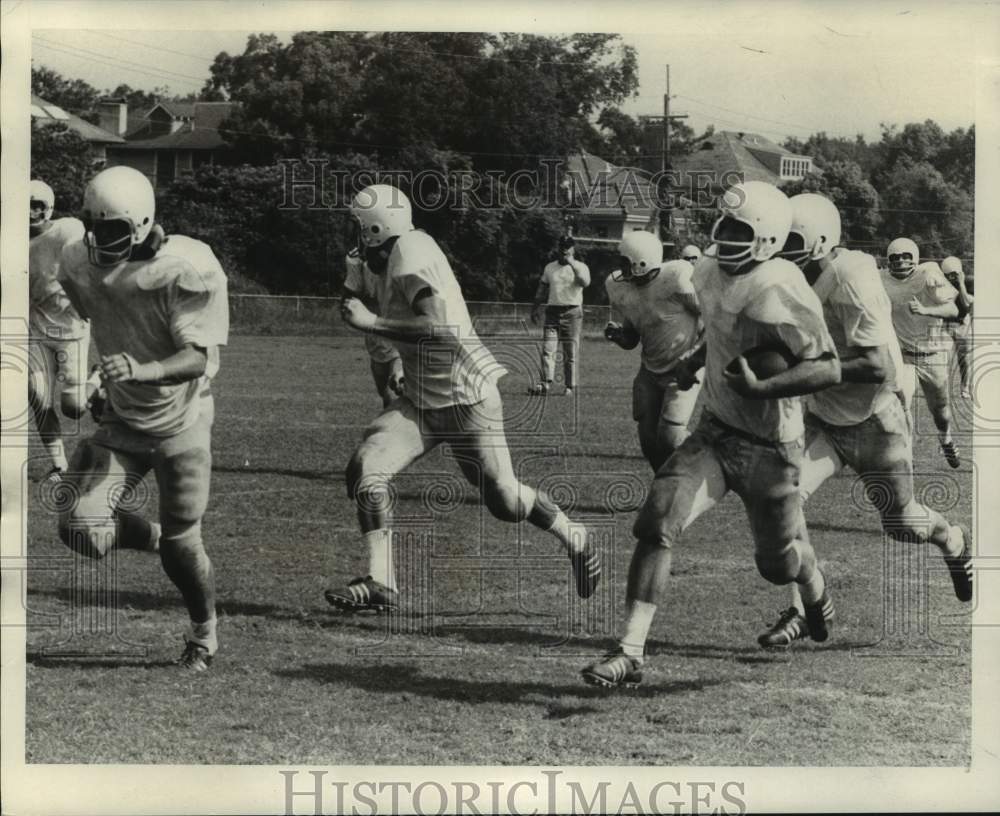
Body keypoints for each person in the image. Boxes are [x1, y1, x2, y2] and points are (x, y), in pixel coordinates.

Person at [581, 181, 841, 689]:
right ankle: (630, 650)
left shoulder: (781, 284)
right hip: (717, 431)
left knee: (778, 564)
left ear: (766, 236)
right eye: (724, 224)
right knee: (658, 520)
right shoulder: (703, 270)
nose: (725, 235)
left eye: (739, 228)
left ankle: (813, 586)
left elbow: (828, 369)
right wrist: (691, 362)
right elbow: (719, 334)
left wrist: (765, 385)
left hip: (773, 447)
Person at [329, 184, 601, 613]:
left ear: (377, 228)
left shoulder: (412, 253)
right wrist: (390, 363)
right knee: (368, 467)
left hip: (465, 395)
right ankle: (381, 582)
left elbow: (438, 328)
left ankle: (576, 536)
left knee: (504, 500)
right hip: (421, 396)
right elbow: (364, 311)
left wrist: (372, 322)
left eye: (360, 229)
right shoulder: (378, 259)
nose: (355, 237)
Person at [756, 194, 973, 648]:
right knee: (784, 501)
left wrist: (791, 377)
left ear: (817, 241)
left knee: (902, 524)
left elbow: (875, 366)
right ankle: (807, 604)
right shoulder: (793, 276)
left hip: (875, 417)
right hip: (822, 419)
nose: (778, 248)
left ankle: (954, 541)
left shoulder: (851, 277)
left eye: (790, 240)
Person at [56, 166, 229, 672]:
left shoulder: (185, 265)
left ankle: (203, 635)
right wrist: (93, 382)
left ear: (142, 221)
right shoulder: (77, 260)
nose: (97, 240)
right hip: (124, 421)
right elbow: (96, 321)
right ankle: (154, 538)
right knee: (79, 528)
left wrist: (140, 368)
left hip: (182, 420)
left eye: (111, 229)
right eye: (92, 227)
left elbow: (197, 357)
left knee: (185, 542)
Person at [604, 230, 704, 471]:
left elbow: (710, 316)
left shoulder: (676, 279)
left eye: (625, 262)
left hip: (682, 367)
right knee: (649, 442)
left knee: (670, 436)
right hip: (649, 370)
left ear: (641, 261)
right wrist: (619, 335)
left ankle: (708, 461)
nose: (620, 267)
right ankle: (664, 489)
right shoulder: (621, 288)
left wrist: (696, 355)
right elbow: (632, 338)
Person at [28, 179, 102, 481]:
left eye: (37, 205)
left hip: (71, 327)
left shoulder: (68, 229)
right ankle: (60, 465)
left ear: (49, 208)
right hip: (35, 329)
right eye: (27, 204)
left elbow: (88, 251)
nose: (31, 211)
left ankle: (98, 379)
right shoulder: (11, 240)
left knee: (72, 408)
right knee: (36, 395)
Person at [880, 238, 961, 467]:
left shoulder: (928, 274)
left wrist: (926, 309)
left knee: (941, 411)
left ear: (914, 257)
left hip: (932, 353)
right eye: (895, 257)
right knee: (902, 403)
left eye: (905, 256)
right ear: (888, 260)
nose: (900, 261)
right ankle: (906, 454)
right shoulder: (881, 279)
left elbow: (953, 309)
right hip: (903, 354)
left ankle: (945, 439)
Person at [528, 235, 590, 396]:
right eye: (562, 245)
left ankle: (569, 386)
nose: (564, 249)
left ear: (573, 249)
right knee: (548, 349)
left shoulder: (581, 266)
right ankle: (545, 383)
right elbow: (542, 290)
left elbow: (585, 283)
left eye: (568, 246)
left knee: (571, 352)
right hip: (552, 312)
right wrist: (535, 309)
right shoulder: (550, 267)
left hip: (572, 313)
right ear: (558, 247)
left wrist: (571, 265)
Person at [343, 247, 405, 407]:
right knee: (385, 393)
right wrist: (353, 274)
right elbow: (347, 306)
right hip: (375, 341)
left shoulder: (402, 261)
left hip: (399, 338)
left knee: (396, 387)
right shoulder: (362, 265)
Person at [940, 256, 974, 400]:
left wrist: (961, 284)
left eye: (954, 274)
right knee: (942, 358)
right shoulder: (941, 283)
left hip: (962, 323)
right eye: (948, 275)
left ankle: (965, 387)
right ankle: (941, 389)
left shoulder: (969, 281)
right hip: (945, 324)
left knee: (964, 359)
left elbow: (967, 304)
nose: (951, 278)